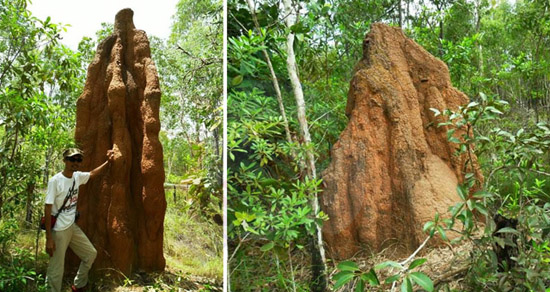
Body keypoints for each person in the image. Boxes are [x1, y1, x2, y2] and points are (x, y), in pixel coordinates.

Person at [44, 148, 115, 292]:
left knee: (90, 254)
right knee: (56, 269)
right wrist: (49, 238)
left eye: (78, 160)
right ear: (64, 160)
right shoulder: (55, 181)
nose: (75, 163)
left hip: (72, 227)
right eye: (71, 159)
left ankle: (78, 285)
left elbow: (93, 174)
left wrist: (108, 162)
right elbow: (47, 208)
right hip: (59, 231)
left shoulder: (77, 177)